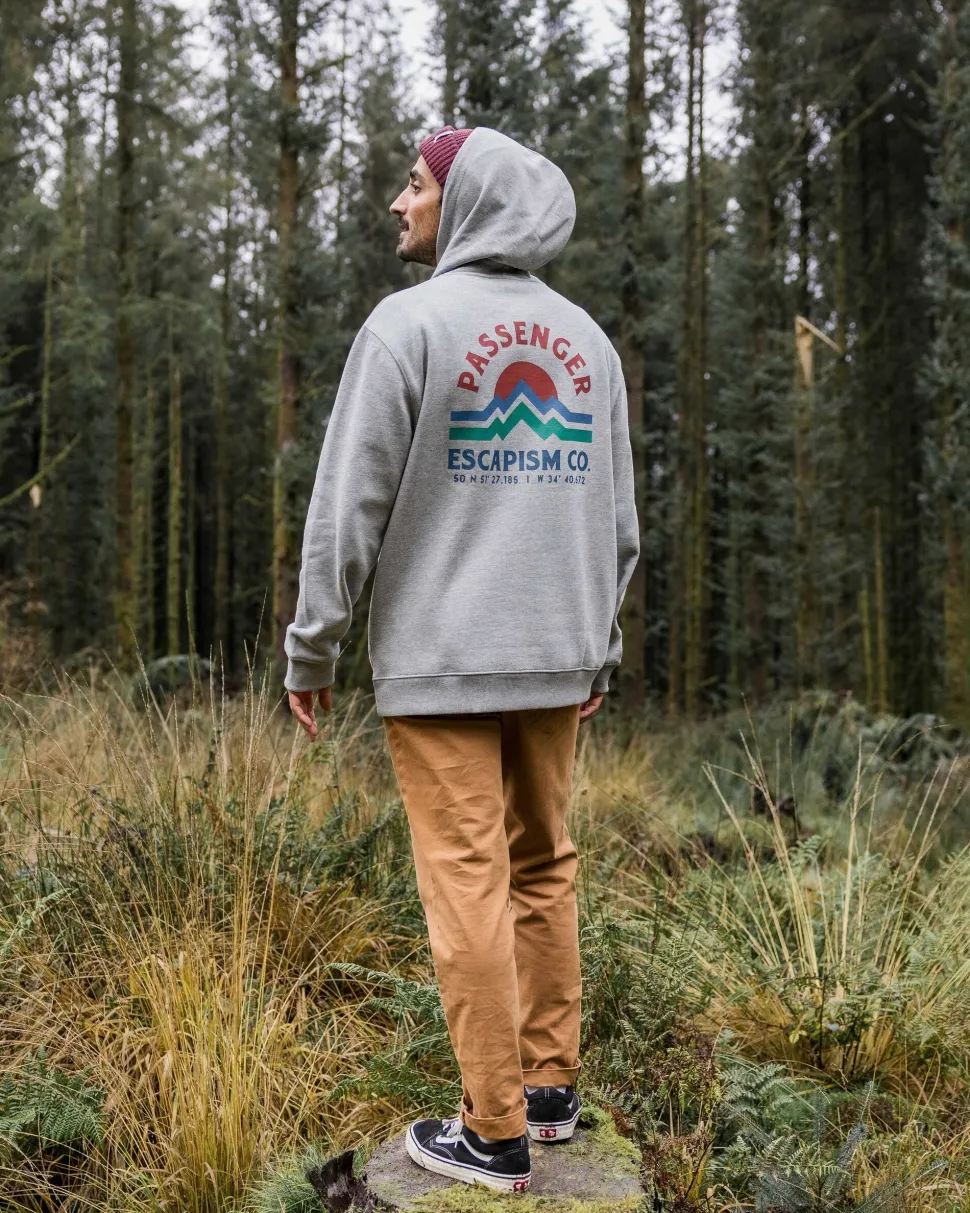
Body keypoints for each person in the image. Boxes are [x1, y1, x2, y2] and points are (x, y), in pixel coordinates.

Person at [285, 125, 640, 1194]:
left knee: (467, 884)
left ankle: (493, 1133)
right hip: (554, 657)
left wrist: (313, 645)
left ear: (466, 199)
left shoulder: (407, 327)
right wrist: (597, 650)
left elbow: (346, 505)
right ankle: (548, 1088)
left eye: (415, 184)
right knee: (544, 866)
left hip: (441, 660)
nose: (400, 204)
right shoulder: (587, 343)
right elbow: (619, 524)